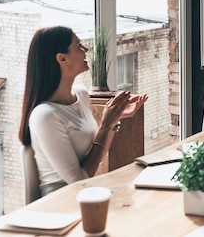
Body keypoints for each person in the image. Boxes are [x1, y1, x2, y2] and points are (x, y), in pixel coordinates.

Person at [18, 26, 148, 196]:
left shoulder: (81, 94)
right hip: (60, 203)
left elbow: (95, 153)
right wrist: (106, 125)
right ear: (62, 58)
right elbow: (79, 180)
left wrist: (113, 120)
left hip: (85, 193)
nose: (85, 50)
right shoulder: (45, 116)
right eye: (79, 46)